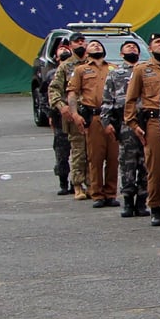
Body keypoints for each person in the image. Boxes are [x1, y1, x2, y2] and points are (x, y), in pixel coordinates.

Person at [124, 33, 160, 226]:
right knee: (155, 168)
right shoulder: (142, 70)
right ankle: (155, 207)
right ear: (150, 48)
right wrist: (133, 124)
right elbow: (131, 99)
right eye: (157, 42)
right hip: (154, 121)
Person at [67, 39, 119, 208]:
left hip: (112, 117)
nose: (96, 46)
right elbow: (73, 93)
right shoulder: (81, 70)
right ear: (87, 52)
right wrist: (74, 114)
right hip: (94, 117)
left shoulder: (114, 69)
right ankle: (97, 193)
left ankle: (111, 193)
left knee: (113, 157)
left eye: (99, 44)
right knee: (95, 157)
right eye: (92, 45)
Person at [102, 41, 148, 218]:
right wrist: (107, 123)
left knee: (145, 164)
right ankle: (128, 201)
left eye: (135, 48)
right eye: (128, 48)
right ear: (121, 54)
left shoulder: (145, 71)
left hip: (145, 122)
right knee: (128, 164)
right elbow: (107, 100)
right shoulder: (115, 74)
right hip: (125, 124)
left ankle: (142, 201)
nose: (132, 49)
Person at [48, 33, 88, 199]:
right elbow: (53, 89)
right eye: (76, 42)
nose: (80, 44)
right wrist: (61, 106)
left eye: (82, 41)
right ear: (71, 45)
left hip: (93, 113)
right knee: (78, 151)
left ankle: (93, 185)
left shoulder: (93, 64)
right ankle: (77, 184)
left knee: (93, 152)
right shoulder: (65, 66)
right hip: (74, 114)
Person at [45, 39, 74, 195]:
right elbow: (46, 96)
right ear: (56, 56)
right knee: (62, 153)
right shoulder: (52, 74)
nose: (64, 51)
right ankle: (63, 182)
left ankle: (76, 183)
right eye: (61, 49)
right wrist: (50, 114)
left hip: (75, 117)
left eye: (66, 48)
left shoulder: (77, 69)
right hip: (59, 117)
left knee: (78, 152)